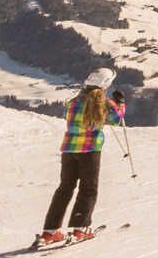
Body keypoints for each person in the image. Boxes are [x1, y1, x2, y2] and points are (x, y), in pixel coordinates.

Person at [37, 68, 116, 247]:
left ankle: (49, 232)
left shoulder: (73, 102)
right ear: (105, 84)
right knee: (88, 189)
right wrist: (120, 104)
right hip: (90, 151)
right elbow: (116, 119)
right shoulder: (102, 103)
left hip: (69, 150)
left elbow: (68, 116)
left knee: (64, 189)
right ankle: (80, 229)